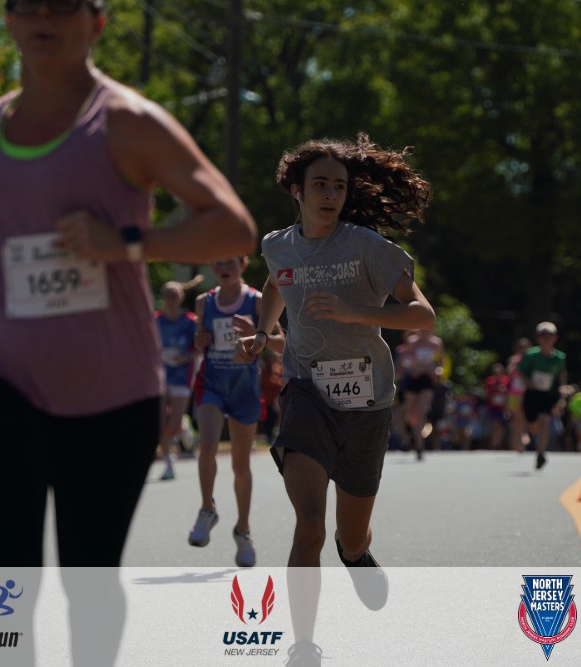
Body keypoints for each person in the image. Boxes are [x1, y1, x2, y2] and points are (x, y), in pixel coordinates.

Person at [0, 0, 255, 662]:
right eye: (28, 4)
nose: (45, 16)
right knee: (8, 570)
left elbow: (232, 225)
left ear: (96, 22)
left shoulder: (127, 121)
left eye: (64, 5)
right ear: (8, 20)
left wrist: (125, 241)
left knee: (88, 577)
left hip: (109, 387)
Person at [235, 134, 434, 664]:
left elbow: (423, 315)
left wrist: (355, 313)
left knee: (349, 534)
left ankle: (356, 553)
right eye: (319, 184)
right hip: (306, 390)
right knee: (309, 524)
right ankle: (303, 644)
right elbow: (276, 283)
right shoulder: (279, 245)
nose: (330, 194)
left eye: (339, 186)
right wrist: (263, 332)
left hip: (367, 402)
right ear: (297, 191)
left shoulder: (367, 247)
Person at [187, 256, 283, 567]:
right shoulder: (204, 302)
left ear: (243, 264)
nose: (223, 268)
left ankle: (243, 530)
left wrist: (258, 333)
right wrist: (199, 340)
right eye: (217, 263)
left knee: (241, 466)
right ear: (211, 268)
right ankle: (207, 509)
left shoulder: (258, 300)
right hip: (212, 384)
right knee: (207, 447)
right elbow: (199, 342)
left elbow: (282, 343)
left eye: (230, 262)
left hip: (245, 388)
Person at [154, 280, 199, 481]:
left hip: (182, 377)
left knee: (172, 425)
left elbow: (199, 347)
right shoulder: (155, 320)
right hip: (160, 378)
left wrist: (186, 357)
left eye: (174, 295)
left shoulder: (190, 322)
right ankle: (168, 464)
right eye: (168, 295)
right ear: (162, 297)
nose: (171, 299)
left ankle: (182, 426)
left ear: (180, 298)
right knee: (160, 422)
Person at [518, 321, 566, 469]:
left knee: (545, 421)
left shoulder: (559, 357)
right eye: (543, 336)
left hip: (548, 394)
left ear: (555, 338)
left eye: (550, 336)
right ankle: (534, 439)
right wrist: (528, 382)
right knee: (533, 426)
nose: (546, 339)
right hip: (532, 394)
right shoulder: (531, 355)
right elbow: (521, 371)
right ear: (538, 338)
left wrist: (562, 390)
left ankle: (541, 453)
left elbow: (561, 374)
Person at [397, 327, 445, 460]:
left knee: (421, 412)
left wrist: (437, 371)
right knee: (411, 414)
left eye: (428, 329)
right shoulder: (412, 341)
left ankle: (419, 446)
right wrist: (412, 368)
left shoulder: (436, 343)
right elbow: (403, 362)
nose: (425, 332)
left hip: (427, 380)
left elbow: (441, 362)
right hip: (412, 379)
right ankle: (413, 436)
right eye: (422, 329)